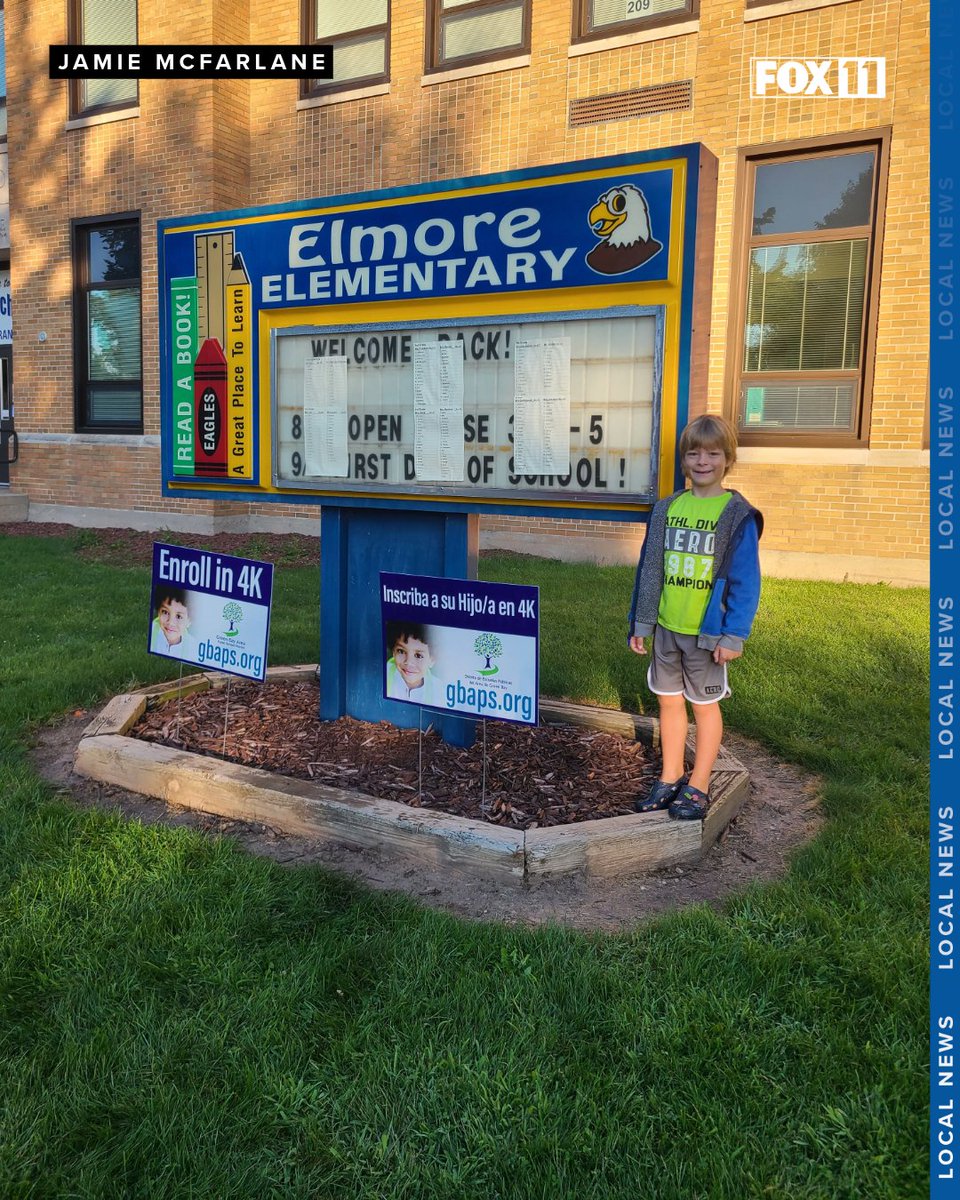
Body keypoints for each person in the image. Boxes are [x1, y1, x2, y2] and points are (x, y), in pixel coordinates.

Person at [628, 414, 763, 820]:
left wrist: (733, 634)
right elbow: (650, 569)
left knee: (704, 708)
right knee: (668, 703)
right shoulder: (668, 508)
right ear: (684, 460)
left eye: (713, 453)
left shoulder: (737, 515)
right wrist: (642, 622)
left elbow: (746, 581)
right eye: (694, 453)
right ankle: (671, 775)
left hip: (707, 636)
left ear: (728, 459)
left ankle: (699, 783)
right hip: (668, 629)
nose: (702, 461)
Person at [385, 621, 441, 705]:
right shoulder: (382, 674)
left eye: (418, 655)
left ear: (432, 660)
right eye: (401, 651)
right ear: (393, 651)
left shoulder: (440, 692)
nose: (408, 662)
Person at [150, 585, 199, 660]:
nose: (170, 622)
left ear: (189, 621)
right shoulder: (152, 630)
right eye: (165, 612)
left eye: (179, 616)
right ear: (159, 610)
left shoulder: (193, 648)